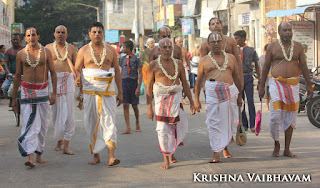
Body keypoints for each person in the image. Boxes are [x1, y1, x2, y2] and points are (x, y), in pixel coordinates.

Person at [259, 22, 313, 158]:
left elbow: (304, 68)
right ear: (279, 32)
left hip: (293, 85)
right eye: (284, 30)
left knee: (291, 117)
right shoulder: (272, 47)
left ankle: (287, 149)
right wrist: (261, 86)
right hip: (276, 83)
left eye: (289, 30)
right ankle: (276, 144)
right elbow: (265, 67)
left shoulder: (298, 47)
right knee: (275, 114)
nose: (287, 32)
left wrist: (308, 84)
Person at [75, 22, 122, 166]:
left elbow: (117, 71)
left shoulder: (111, 50)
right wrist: (77, 78)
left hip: (108, 91)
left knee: (109, 121)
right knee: (91, 122)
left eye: (99, 32)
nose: (97, 34)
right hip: (90, 91)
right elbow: (77, 69)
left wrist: (120, 92)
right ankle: (96, 155)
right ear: (89, 34)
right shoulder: (83, 50)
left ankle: (111, 156)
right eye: (94, 32)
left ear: (103, 34)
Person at [147, 38, 195, 170]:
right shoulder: (153, 64)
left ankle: (171, 152)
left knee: (175, 128)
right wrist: (149, 107)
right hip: (161, 101)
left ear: (172, 49)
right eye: (164, 47)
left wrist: (191, 102)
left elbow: (185, 83)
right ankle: (165, 158)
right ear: (159, 50)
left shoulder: (179, 64)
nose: (167, 49)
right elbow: (149, 86)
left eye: (169, 47)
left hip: (175, 100)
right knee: (162, 129)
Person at [12, 27, 57, 168]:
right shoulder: (20, 54)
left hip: (42, 91)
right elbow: (18, 76)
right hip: (27, 91)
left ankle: (39, 154)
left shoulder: (46, 52)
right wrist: (14, 97)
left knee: (43, 125)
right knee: (30, 124)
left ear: (38, 36)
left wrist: (54, 92)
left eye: (34, 35)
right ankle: (30, 156)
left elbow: (53, 73)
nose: (31, 37)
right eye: (28, 35)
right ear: (25, 38)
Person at [195, 31, 241, 163]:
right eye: (213, 42)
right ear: (208, 44)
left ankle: (225, 147)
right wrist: (196, 100)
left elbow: (237, 77)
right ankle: (216, 152)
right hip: (212, 96)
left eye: (218, 41)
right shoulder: (203, 61)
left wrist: (239, 97)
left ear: (223, 43)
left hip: (229, 94)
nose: (216, 44)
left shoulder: (231, 58)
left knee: (227, 122)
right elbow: (198, 82)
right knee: (213, 123)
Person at [45, 25, 77, 155]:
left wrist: (78, 79)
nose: (60, 34)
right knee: (57, 114)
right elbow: (44, 67)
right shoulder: (47, 48)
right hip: (53, 82)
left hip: (68, 82)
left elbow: (77, 67)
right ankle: (59, 140)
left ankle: (67, 144)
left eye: (63, 32)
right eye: (58, 32)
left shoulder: (71, 48)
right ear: (54, 34)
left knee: (69, 115)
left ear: (66, 35)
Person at [200, 18, 243, 89]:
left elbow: (238, 62)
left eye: (217, 23)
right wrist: (204, 84)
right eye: (213, 24)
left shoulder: (231, 41)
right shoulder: (205, 44)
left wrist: (241, 80)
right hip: (213, 82)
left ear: (221, 26)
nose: (215, 25)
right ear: (209, 28)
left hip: (230, 79)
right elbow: (202, 67)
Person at [234, 30, 260, 132]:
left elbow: (257, 65)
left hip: (248, 77)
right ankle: (244, 124)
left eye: (237, 38)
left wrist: (260, 80)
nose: (235, 40)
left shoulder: (251, 50)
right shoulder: (233, 50)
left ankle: (253, 123)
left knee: (250, 101)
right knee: (240, 102)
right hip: (237, 79)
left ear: (243, 39)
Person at [119, 40, 142, 134]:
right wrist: (120, 85)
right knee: (125, 104)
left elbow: (140, 73)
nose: (122, 49)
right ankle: (128, 127)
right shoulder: (122, 59)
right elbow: (121, 71)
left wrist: (139, 87)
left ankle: (137, 122)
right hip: (124, 82)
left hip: (133, 82)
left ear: (128, 48)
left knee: (134, 105)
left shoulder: (136, 58)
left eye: (124, 47)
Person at [4, 33, 23, 105]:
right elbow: (6, 63)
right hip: (12, 76)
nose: (15, 41)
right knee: (6, 88)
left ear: (20, 40)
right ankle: (11, 99)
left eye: (17, 39)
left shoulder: (24, 49)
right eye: (13, 39)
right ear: (11, 41)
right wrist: (8, 73)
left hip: (23, 75)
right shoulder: (8, 51)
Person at [175, 36, 191, 104]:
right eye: (179, 42)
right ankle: (179, 98)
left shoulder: (184, 49)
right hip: (177, 67)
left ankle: (183, 98)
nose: (181, 43)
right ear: (176, 42)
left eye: (182, 42)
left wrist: (189, 68)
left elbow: (187, 59)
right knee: (178, 84)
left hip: (184, 67)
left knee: (187, 84)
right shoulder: (174, 49)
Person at [258, 44, 270, 110]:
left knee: (265, 92)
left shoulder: (261, 58)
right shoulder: (272, 57)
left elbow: (258, 66)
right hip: (272, 77)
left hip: (264, 77)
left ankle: (267, 106)